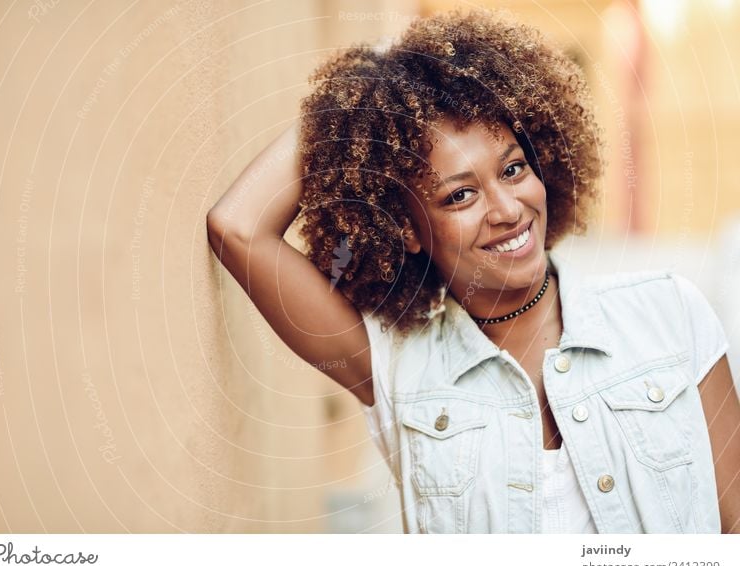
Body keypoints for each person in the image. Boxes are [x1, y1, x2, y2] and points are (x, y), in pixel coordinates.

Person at [206, 8, 740, 533]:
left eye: (513, 169)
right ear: (407, 228)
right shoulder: (395, 366)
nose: (508, 209)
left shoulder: (668, 313)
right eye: (459, 195)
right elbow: (237, 227)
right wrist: (364, 96)